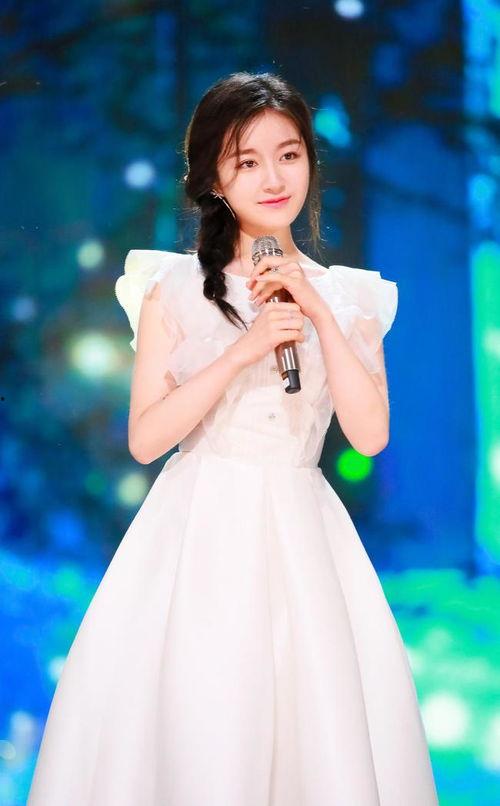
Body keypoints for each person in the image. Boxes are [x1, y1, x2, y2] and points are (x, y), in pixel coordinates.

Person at [28, 71, 439, 805]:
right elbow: (146, 439)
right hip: (198, 531)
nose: (274, 178)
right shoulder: (174, 289)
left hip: (303, 536)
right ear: (215, 180)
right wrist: (241, 353)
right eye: (247, 161)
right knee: (203, 717)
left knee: (312, 725)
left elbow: (370, 436)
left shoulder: (350, 297)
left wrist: (317, 311)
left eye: (289, 155)